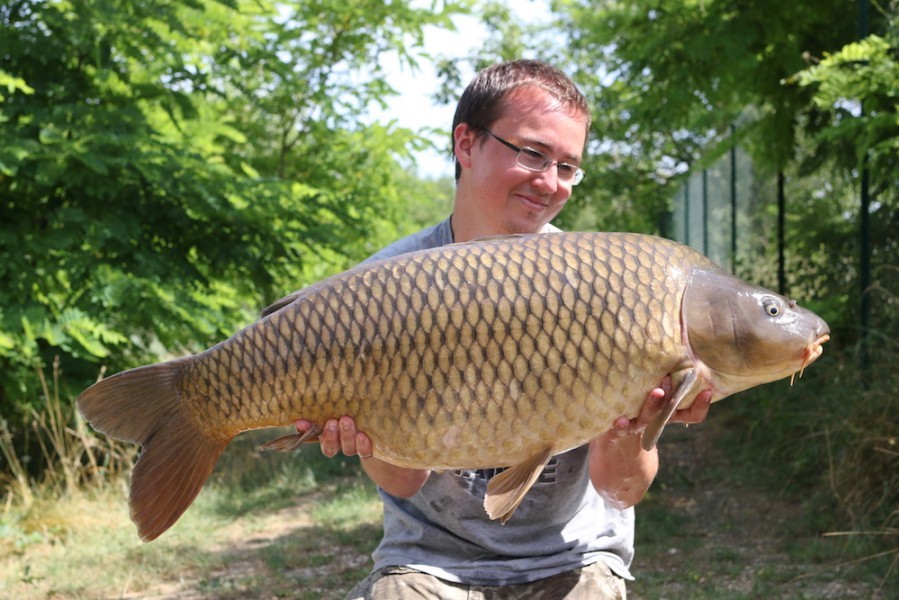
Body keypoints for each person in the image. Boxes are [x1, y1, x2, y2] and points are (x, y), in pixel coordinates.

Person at [295, 59, 710, 599]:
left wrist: (635, 420)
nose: (550, 183)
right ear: (466, 144)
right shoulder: (383, 289)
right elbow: (403, 481)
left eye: (568, 166)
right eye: (534, 154)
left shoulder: (607, 283)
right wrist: (362, 434)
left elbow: (621, 489)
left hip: (573, 558)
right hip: (428, 564)